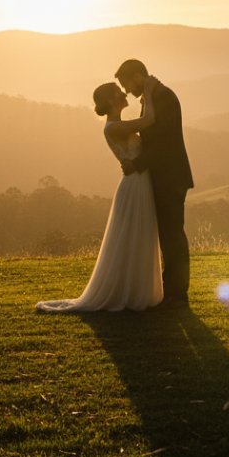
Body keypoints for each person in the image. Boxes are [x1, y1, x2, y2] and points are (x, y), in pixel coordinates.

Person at [35, 79, 164, 313]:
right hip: (134, 185)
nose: (124, 93)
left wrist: (146, 100)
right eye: (119, 92)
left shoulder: (118, 124)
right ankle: (128, 292)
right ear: (111, 100)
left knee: (139, 236)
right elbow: (148, 121)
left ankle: (136, 290)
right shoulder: (113, 127)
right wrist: (148, 93)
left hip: (139, 181)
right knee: (133, 237)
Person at [115, 59, 194, 309]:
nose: (126, 90)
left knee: (172, 235)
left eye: (126, 83)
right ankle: (170, 292)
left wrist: (136, 164)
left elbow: (162, 144)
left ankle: (177, 295)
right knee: (167, 235)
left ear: (138, 76)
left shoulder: (164, 98)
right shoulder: (153, 97)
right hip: (161, 176)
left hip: (170, 177)